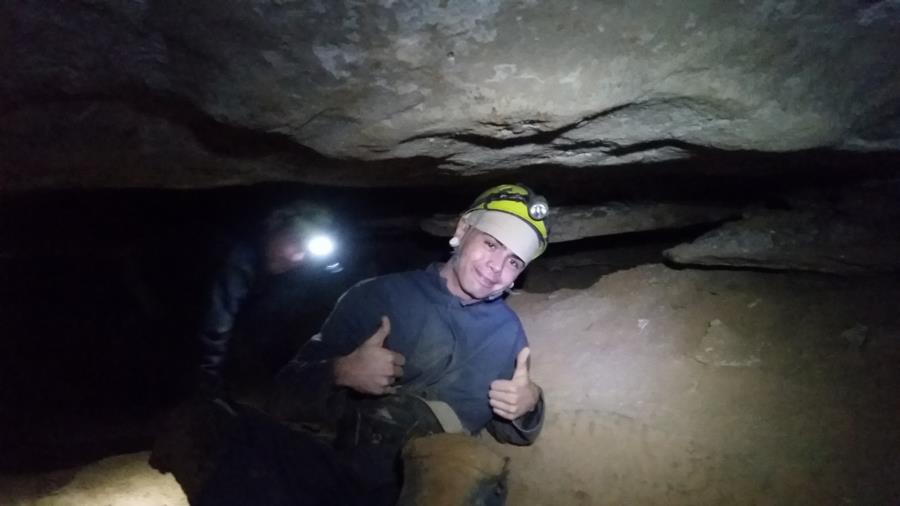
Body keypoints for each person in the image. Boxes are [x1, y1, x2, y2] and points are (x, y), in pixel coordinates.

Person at [195, 184, 551, 506]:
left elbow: (509, 427)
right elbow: (284, 394)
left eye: (513, 262)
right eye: (491, 244)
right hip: (341, 468)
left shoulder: (508, 335)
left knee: (459, 463)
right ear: (462, 230)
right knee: (239, 434)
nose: (496, 267)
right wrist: (342, 371)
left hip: (429, 486)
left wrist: (528, 403)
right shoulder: (377, 296)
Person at [196, 201, 342, 396]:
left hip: (251, 347)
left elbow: (283, 321)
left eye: (306, 250)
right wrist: (208, 377)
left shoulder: (292, 274)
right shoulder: (238, 259)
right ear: (273, 230)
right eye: (294, 241)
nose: (298, 257)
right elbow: (216, 325)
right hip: (197, 336)